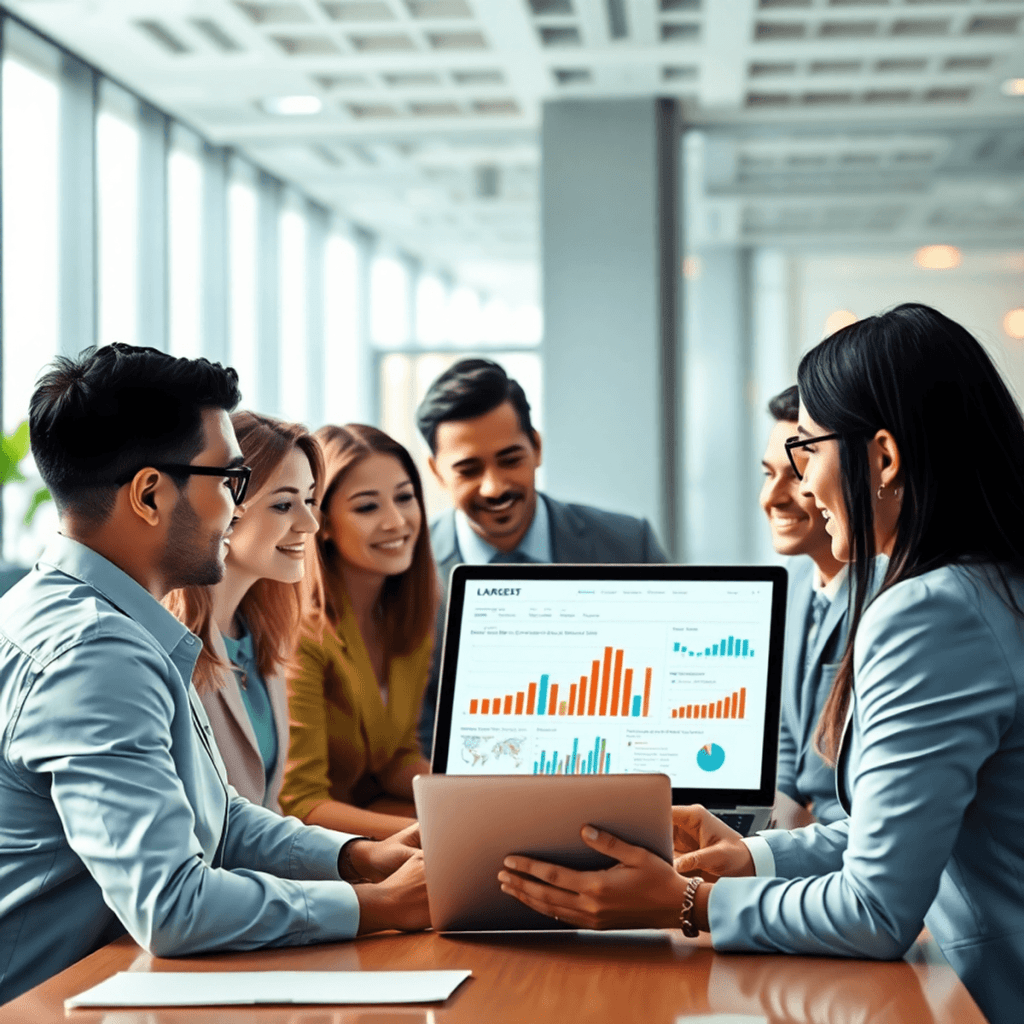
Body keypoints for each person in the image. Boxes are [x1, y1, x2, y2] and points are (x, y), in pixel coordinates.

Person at [496, 304, 1024, 1024]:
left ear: (885, 458)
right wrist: (753, 860)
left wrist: (686, 903)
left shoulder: (930, 612)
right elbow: (893, 826)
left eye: (808, 450)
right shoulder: (991, 584)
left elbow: (874, 909)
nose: (803, 487)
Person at [0, 345, 427, 1004]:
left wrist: (355, 858)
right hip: (51, 1001)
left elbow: (218, 817)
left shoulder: (112, 621)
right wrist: (377, 907)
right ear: (148, 494)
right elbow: (171, 906)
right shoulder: (95, 654)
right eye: (231, 480)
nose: (238, 504)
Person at [415, 357, 669, 755]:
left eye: (510, 459)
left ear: (536, 447)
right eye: (468, 470)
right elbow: (411, 726)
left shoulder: (628, 544)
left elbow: (668, 680)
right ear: (436, 472)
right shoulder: (408, 568)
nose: (494, 487)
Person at [278, 425, 437, 840]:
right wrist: (434, 832)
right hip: (316, 849)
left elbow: (395, 758)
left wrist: (472, 796)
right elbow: (300, 804)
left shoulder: (408, 614)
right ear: (322, 524)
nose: (397, 521)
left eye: (405, 498)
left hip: (372, 818)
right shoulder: (303, 635)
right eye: (367, 507)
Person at [164, 412, 322, 811]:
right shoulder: (170, 649)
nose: (310, 523)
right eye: (284, 504)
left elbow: (268, 810)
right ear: (224, 508)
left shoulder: (262, 636)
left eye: (310, 500)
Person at [760, 385, 847, 828]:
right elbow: (786, 742)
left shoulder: (898, 601)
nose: (770, 498)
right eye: (766, 474)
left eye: (796, 474)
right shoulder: (792, 585)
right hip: (798, 834)